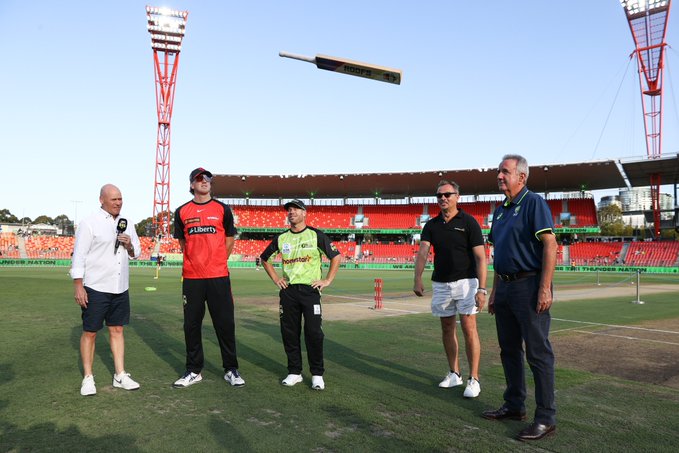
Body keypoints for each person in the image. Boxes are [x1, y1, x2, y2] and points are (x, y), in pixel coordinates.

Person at [483, 154, 558, 441]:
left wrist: (545, 287)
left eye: (505, 172)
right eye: (499, 172)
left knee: (539, 354)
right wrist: (494, 291)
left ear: (521, 177)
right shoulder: (501, 210)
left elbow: (550, 244)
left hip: (529, 286)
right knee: (509, 350)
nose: (499, 176)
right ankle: (515, 405)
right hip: (505, 287)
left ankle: (546, 418)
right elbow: (499, 255)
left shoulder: (533, 203)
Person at [413, 180, 487, 398]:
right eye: (439, 196)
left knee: (468, 326)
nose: (443, 198)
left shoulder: (469, 222)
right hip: (441, 283)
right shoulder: (431, 225)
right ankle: (455, 373)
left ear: (457, 196)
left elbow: (481, 258)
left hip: (467, 282)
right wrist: (417, 278)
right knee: (447, 328)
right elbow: (423, 252)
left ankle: (474, 379)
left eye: (447, 194)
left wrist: (482, 289)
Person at [172, 167, 245, 388]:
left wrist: (217, 261)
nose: (204, 182)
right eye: (199, 179)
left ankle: (231, 369)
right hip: (193, 278)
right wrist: (196, 261)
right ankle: (194, 370)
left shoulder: (223, 209)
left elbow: (229, 239)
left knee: (225, 324)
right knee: (191, 325)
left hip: (218, 275)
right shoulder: (181, 211)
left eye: (208, 179)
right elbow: (183, 243)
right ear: (192, 184)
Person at [260, 199, 341, 390]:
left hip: (310, 291)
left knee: (313, 333)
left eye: (296, 209)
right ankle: (294, 372)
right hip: (288, 291)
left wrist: (327, 280)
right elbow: (264, 259)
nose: (291, 212)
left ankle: (317, 374)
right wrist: (276, 279)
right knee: (290, 333)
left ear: (305, 213)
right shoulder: (281, 238)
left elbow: (336, 256)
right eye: (289, 209)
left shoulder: (316, 235)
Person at [70, 184, 141, 396]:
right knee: (90, 332)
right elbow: (79, 255)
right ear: (102, 200)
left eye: (120, 199)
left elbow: (136, 253)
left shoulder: (126, 223)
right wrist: (78, 286)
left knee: (117, 329)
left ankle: (120, 375)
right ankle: (88, 378)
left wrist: (128, 245)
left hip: (120, 286)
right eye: (114, 199)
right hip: (96, 286)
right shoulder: (89, 223)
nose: (118, 203)